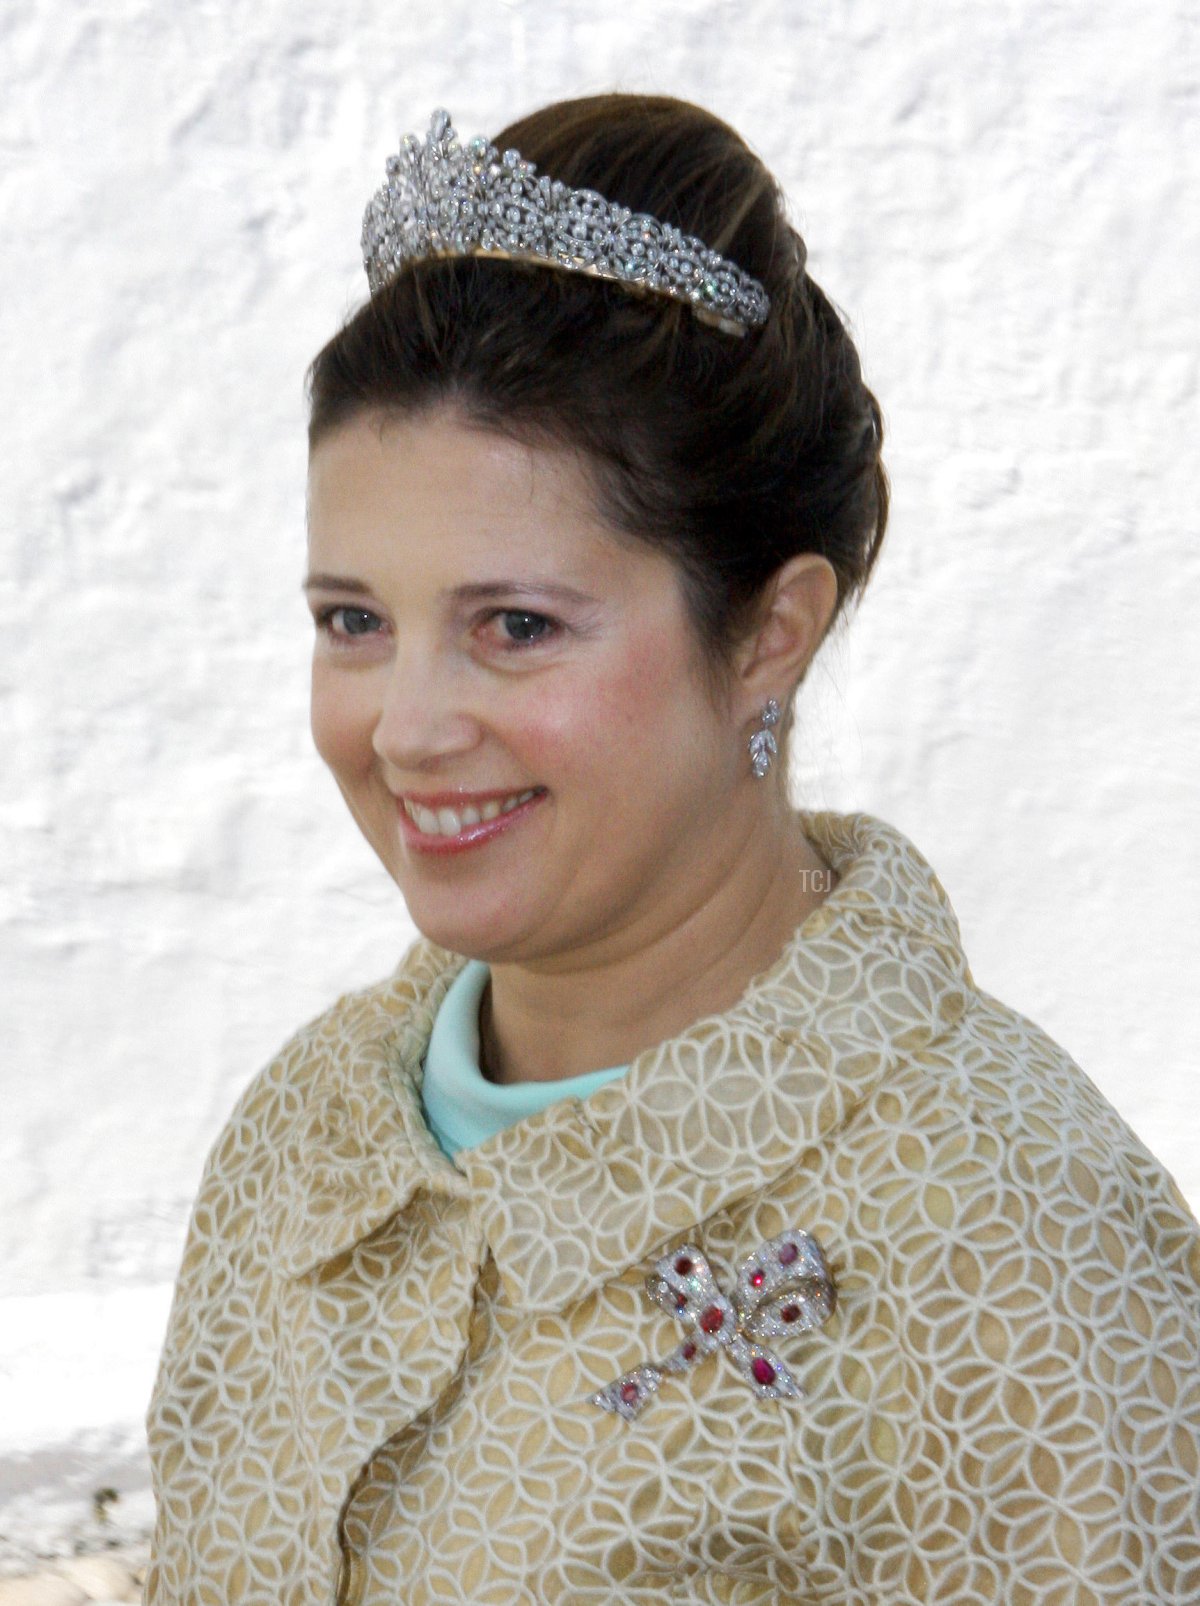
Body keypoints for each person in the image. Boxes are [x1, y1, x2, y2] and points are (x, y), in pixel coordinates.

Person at [144, 95, 1200, 1604]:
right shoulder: (305, 1140)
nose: (411, 726)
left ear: (771, 631)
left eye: (516, 626)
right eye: (354, 621)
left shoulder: (1012, 1239)